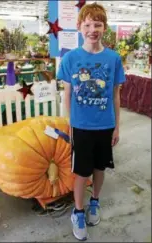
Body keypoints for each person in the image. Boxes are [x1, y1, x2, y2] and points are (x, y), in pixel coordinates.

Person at [57, 2, 125, 241]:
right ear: (79, 28)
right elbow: (66, 93)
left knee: (100, 167)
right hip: (81, 126)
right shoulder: (70, 58)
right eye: (87, 24)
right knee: (81, 171)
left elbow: (116, 93)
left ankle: (94, 202)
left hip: (105, 125)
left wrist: (117, 125)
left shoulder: (113, 58)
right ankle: (77, 211)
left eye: (97, 24)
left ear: (104, 27)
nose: (92, 29)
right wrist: (69, 121)